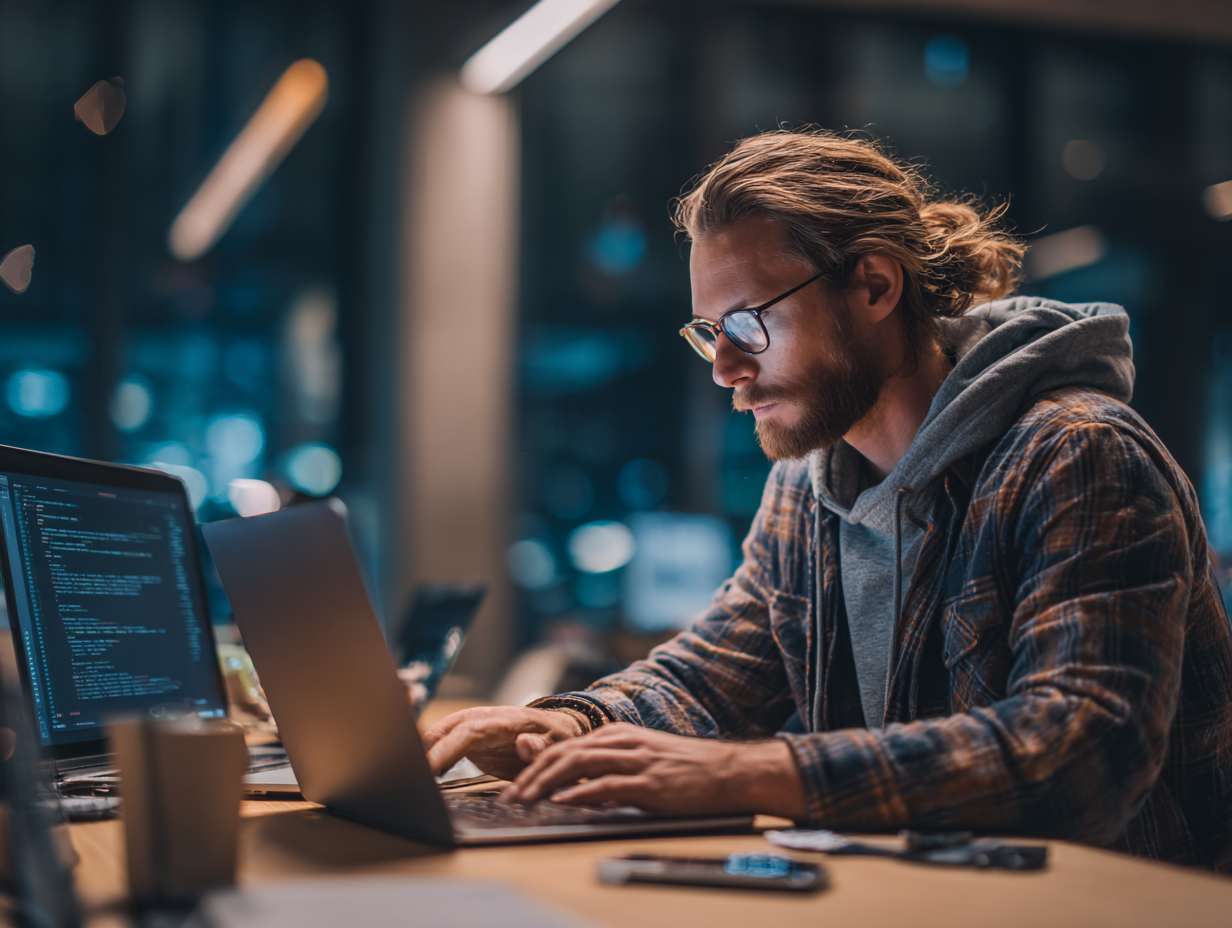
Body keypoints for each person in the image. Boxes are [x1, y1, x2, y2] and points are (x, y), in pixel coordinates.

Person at [424, 129, 1232, 871]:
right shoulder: (809, 482)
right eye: (711, 332)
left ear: (876, 286)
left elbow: (1078, 759)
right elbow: (717, 675)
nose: (725, 369)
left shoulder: (1077, 454)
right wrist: (571, 723)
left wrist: (755, 772)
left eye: (747, 322)